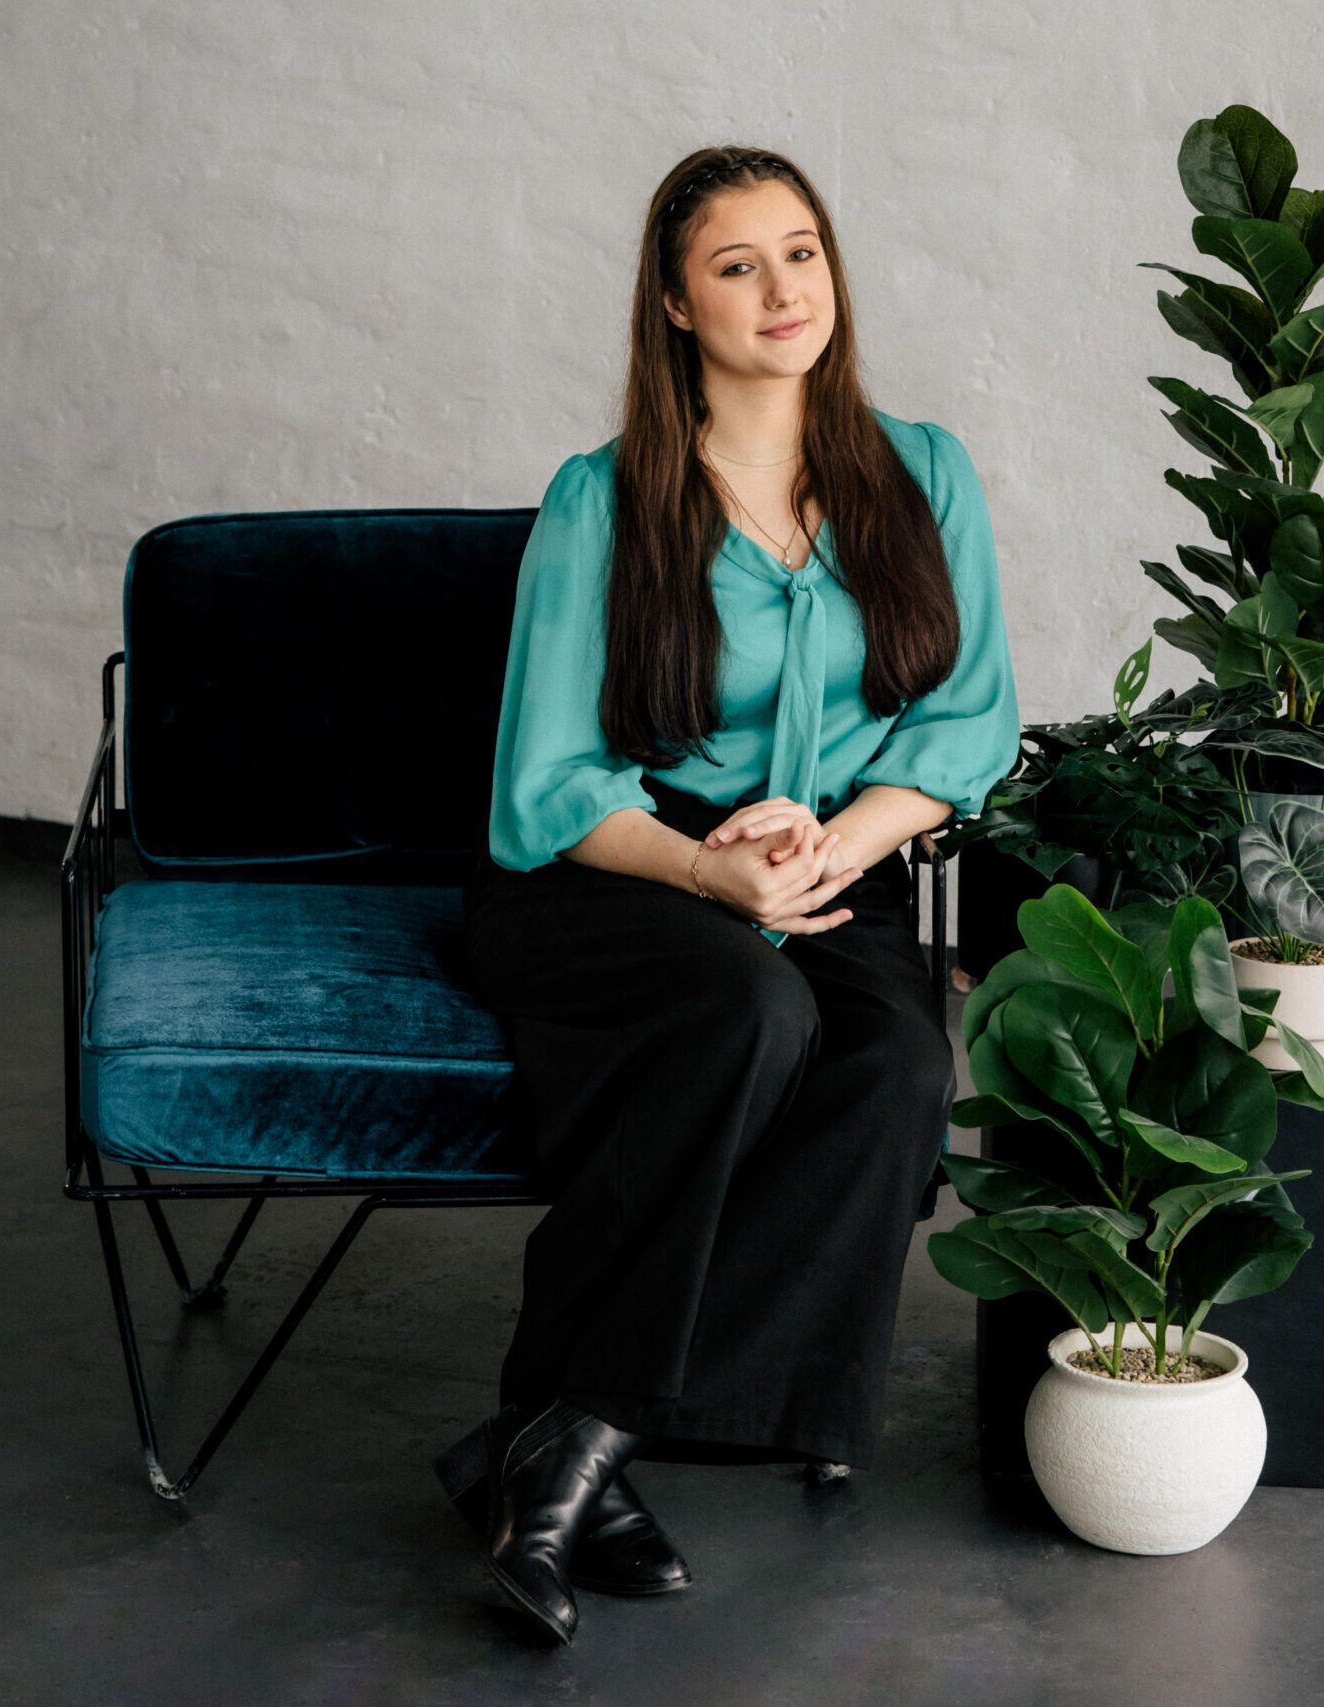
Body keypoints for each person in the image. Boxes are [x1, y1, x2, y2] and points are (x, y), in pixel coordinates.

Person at [433, 145, 1021, 1644]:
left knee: (894, 1068)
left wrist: (840, 845)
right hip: (621, 866)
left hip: (836, 860)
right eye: (737, 264)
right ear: (677, 305)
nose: (782, 290)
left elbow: (964, 729)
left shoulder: (925, 472)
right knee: (749, 1009)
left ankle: (567, 1434)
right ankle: (567, 1445)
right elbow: (548, 783)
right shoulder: (607, 499)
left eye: (802, 251)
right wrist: (711, 865)